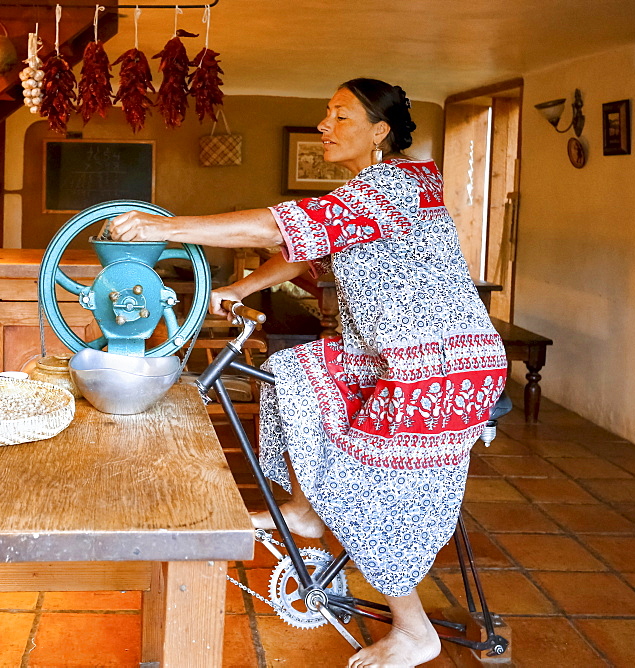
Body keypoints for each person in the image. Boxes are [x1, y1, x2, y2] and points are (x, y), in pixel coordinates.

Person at [110, 78, 507, 668]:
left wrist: (165, 226)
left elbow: (277, 227)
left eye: (340, 116)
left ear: (379, 131)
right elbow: (301, 248)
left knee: (373, 488)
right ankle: (307, 509)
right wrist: (240, 287)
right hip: (387, 360)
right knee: (295, 369)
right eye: (325, 115)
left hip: (441, 370)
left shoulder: (396, 186)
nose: (325, 125)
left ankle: (414, 630)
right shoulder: (368, 192)